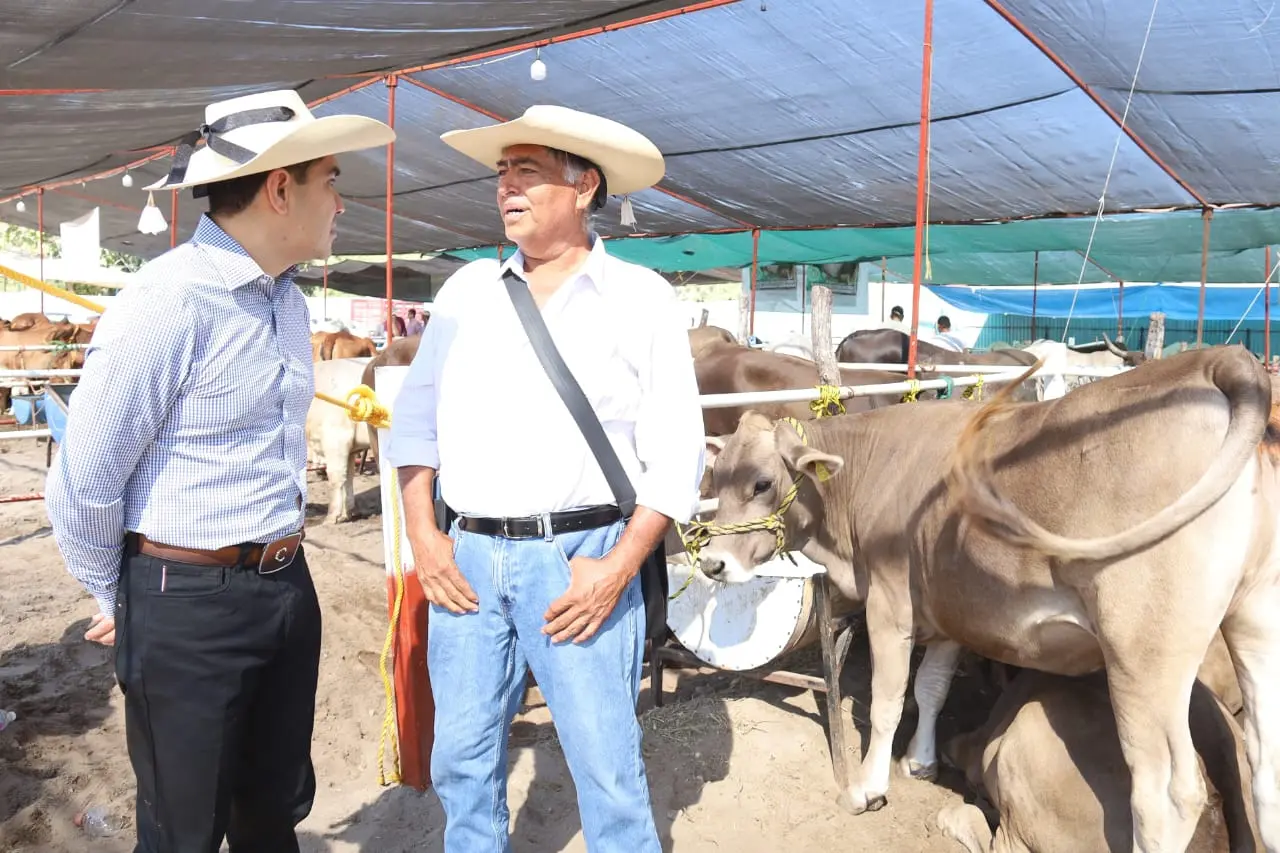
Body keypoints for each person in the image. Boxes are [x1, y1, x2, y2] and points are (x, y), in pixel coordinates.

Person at [44, 89, 394, 852]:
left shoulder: (288, 303)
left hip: (285, 584)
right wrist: (122, 594)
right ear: (279, 189)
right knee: (183, 832)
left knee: (273, 813)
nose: (341, 201)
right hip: (184, 603)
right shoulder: (168, 302)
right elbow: (84, 480)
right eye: (330, 179)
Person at [386, 104, 705, 853]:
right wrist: (425, 535)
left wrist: (618, 567)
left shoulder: (641, 298)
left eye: (526, 171)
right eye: (502, 173)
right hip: (464, 557)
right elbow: (414, 424)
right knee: (460, 761)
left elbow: (677, 451)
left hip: (579, 562)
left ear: (585, 186)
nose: (507, 188)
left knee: (606, 766)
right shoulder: (465, 292)